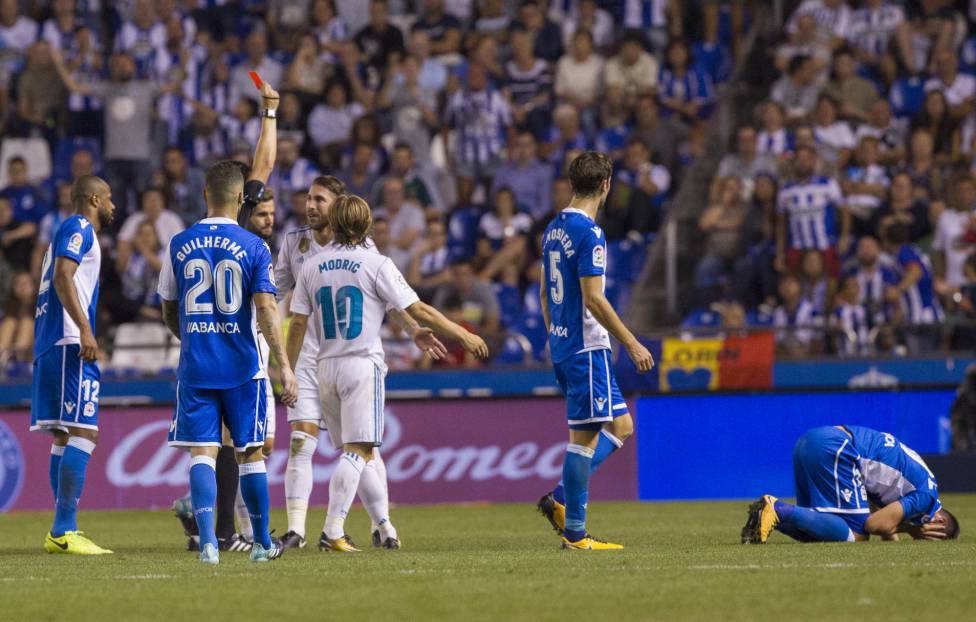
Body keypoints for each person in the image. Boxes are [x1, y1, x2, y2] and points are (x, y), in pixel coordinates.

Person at [285, 194, 488, 552]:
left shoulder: (312, 267)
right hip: (361, 364)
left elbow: (298, 324)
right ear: (364, 226)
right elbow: (419, 307)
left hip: (324, 368)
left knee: (354, 453)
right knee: (360, 451)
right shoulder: (376, 263)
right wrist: (463, 333)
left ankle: (382, 526)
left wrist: (287, 369)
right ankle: (333, 529)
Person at [157, 160, 297, 565]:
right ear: (241, 198)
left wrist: (191, 338)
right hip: (242, 366)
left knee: (202, 453)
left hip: (196, 365)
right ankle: (261, 545)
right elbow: (268, 308)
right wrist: (283, 365)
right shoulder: (255, 246)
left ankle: (207, 545)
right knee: (249, 453)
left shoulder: (179, 243)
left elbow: (168, 307)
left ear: (205, 195)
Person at [535, 151, 654, 550]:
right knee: (582, 439)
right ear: (606, 185)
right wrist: (632, 342)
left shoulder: (553, 229)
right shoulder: (590, 233)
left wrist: (556, 337)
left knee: (621, 427)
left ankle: (562, 499)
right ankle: (576, 534)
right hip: (587, 348)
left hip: (567, 344)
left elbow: (543, 293)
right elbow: (594, 299)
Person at [30, 174, 116, 555]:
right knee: (85, 432)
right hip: (67, 339)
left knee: (65, 435)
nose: (113, 206)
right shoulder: (79, 226)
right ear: (94, 199)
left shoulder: (65, 231)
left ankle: (62, 529)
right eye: (109, 199)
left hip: (52, 340)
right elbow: (64, 276)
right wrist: (85, 329)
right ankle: (64, 530)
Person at [741, 425, 960, 544]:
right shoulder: (926, 497)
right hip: (836, 448)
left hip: (814, 442)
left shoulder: (925, 484)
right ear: (939, 522)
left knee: (819, 533)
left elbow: (877, 514)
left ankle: (764, 516)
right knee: (857, 536)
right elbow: (874, 525)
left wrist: (893, 532)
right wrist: (912, 531)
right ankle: (778, 509)